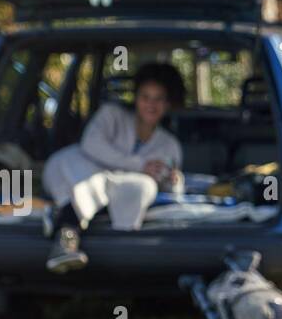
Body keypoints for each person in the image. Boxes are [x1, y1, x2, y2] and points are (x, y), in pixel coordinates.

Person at [41, 62, 186, 273]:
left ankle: (114, 244)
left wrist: (174, 180)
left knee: (143, 186)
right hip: (78, 173)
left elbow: (172, 188)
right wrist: (138, 165)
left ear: (168, 103)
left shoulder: (170, 145)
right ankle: (67, 236)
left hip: (120, 188)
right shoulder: (111, 115)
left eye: (159, 99)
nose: (151, 105)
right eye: (145, 97)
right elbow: (90, 145)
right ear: (136, 98)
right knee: (86, 172)